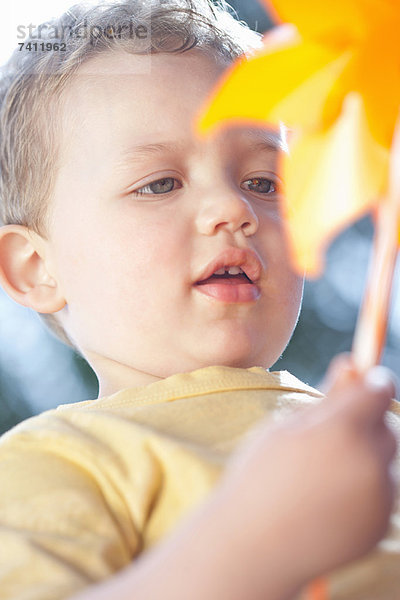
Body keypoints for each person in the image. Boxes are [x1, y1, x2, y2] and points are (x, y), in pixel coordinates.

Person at [0, 1, 398, 599]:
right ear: (36, 269)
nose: (235, 209)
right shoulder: (54, 462)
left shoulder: (374, 434)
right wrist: (255, 545)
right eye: (159, 183)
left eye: (265, 182)